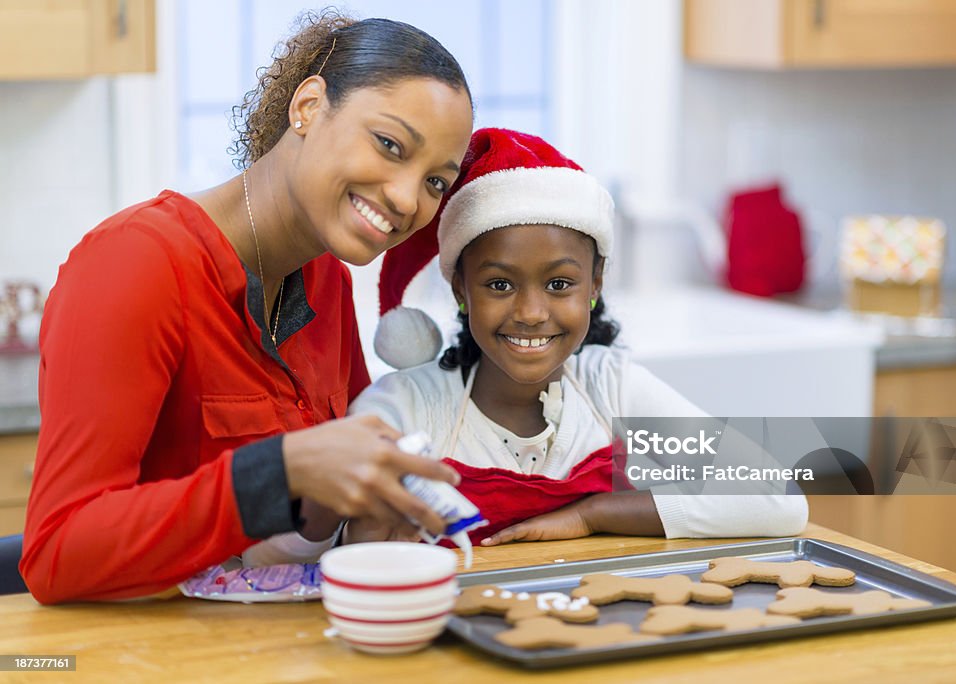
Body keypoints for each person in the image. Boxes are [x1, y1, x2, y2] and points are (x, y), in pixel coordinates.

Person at [19, 10, 474, 604]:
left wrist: (351, 512)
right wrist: (281, 470)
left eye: (437, 183)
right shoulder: (135, 263)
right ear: (308, 106)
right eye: (389, 145)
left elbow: (312, 518)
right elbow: (56, 553)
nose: (407, 198)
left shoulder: (325, 278)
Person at [343, 128, 808, 546]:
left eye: (559, 284)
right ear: (461, 288)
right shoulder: (407, 407)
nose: (530, 313)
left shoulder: (611, 388)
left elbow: (777, 497)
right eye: (500, 284)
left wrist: (592, 515)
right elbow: (342, 538)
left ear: (596, 284)